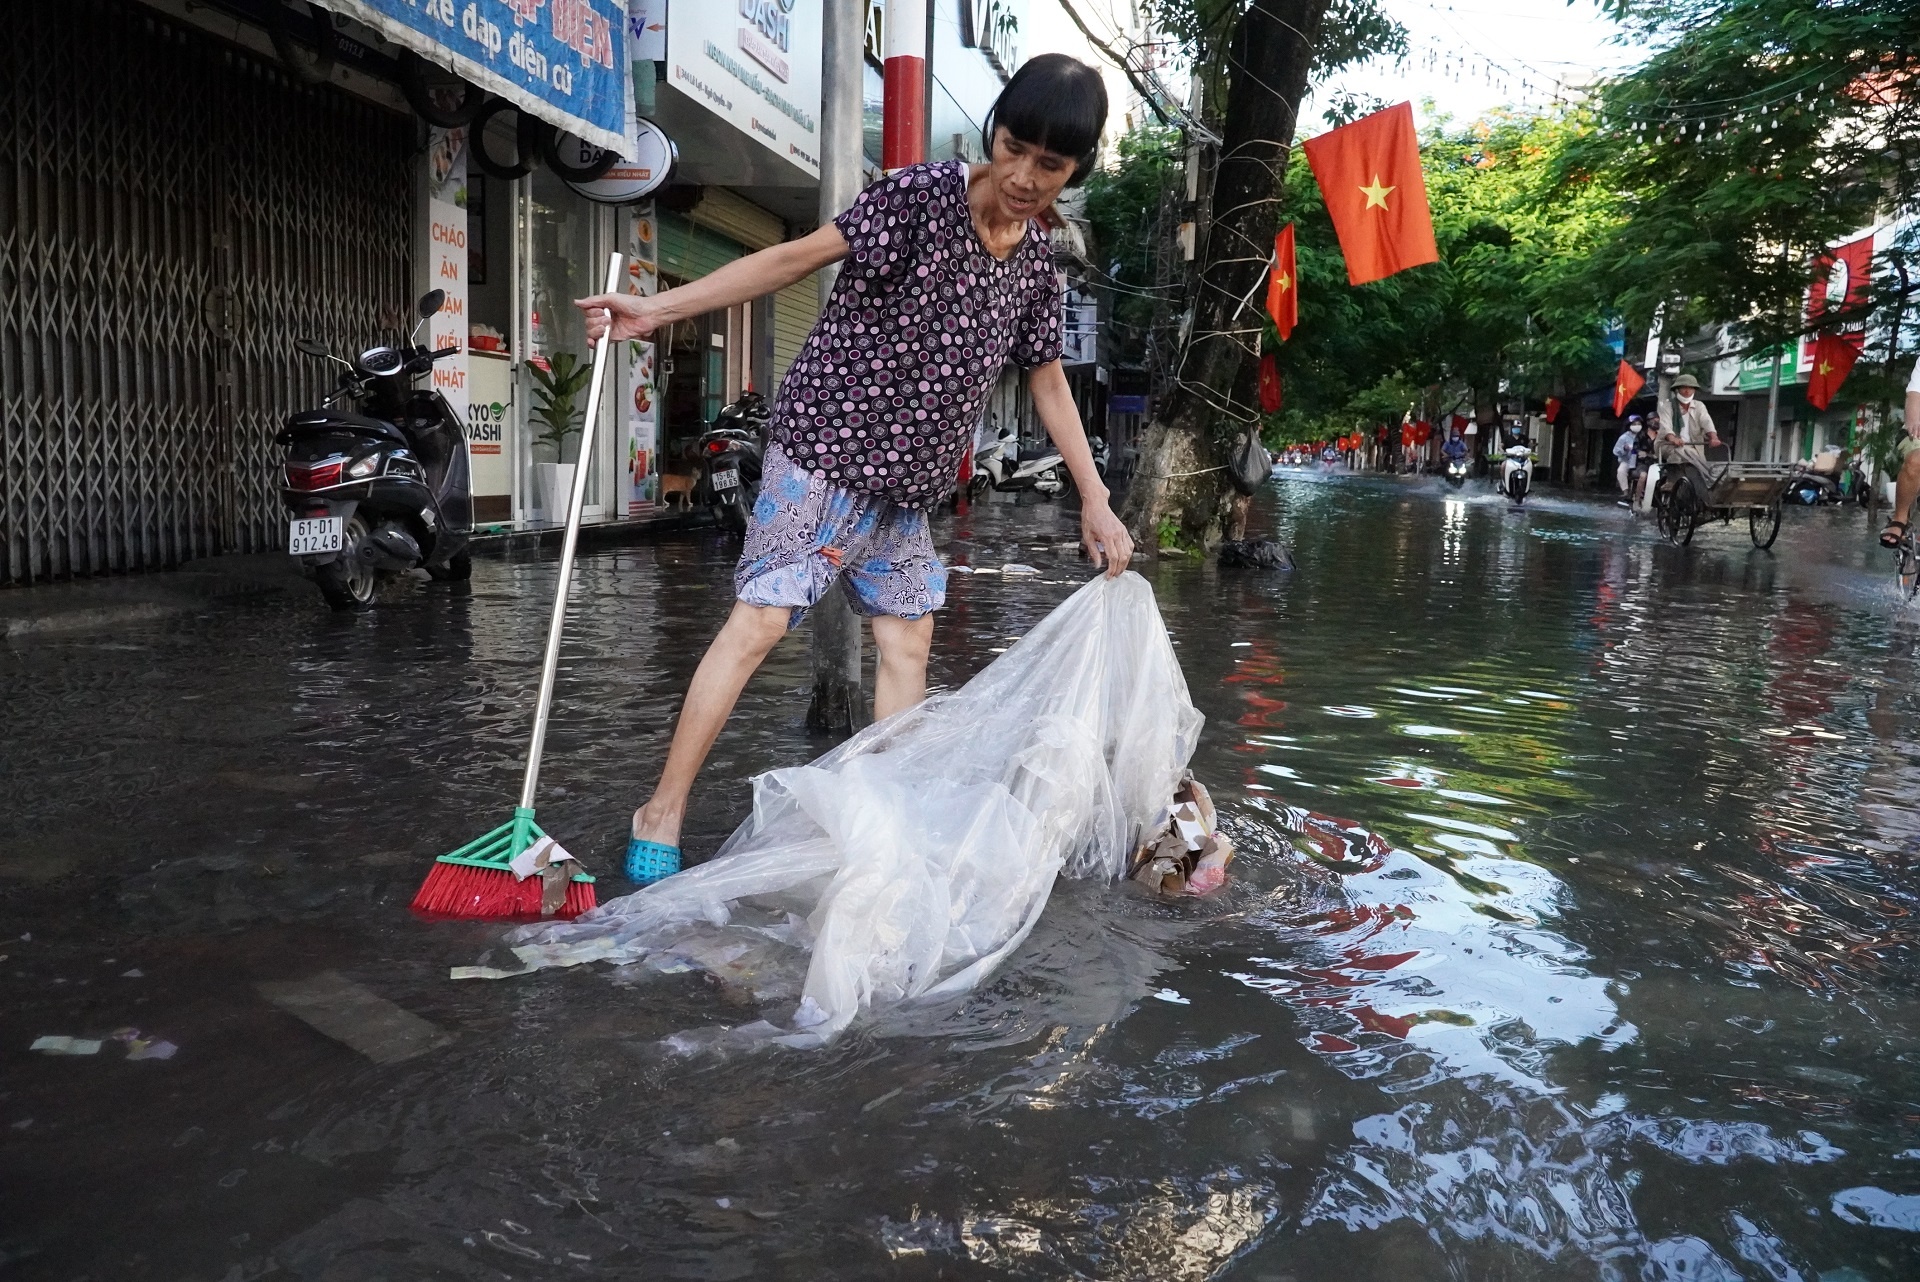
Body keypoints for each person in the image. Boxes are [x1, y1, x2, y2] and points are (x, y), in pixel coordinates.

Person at [572, 55, 1129, 881]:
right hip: (823, 453)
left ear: (1074, 170)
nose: (1022, 177)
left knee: (908, 639)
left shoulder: (1037, 269)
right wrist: (656, 309)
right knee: (760, 622)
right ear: (995, 133)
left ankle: (878, 822)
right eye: (1013, 147)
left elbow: (1047, 382)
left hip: (906, 491)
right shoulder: (919, 199)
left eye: (1048, 165)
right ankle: (662, 807)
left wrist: (1095, 496)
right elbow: (793, 258)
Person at [1881, 359, 1920, 547]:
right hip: (1917, 433)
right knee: (1916, 460)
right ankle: (1900, 519)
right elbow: (1914, 396)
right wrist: (1914, 421)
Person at [1611, 417, 1638, 505]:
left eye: (1638, 424)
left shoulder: (1643, 436)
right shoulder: (1624, 437)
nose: (1637, 426)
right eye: (1634, 424)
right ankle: (1625, 492)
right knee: (1621, 471)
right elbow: (1616, 450)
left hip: (1641, 461)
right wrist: (1624, 449)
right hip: (1627, 461)